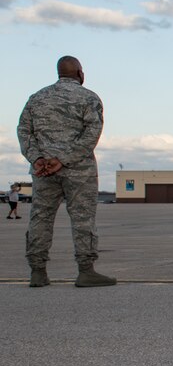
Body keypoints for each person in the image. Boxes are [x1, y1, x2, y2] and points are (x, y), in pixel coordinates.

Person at [17, 56, 116, 287]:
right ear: (80, 74)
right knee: (83, 219)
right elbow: (92, 133)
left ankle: (38, 272)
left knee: (40, 218)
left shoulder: (37, 98)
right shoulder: (88, 98)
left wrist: (37, 159)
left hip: (43, 172)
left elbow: (24, 131)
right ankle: (86, 270)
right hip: (78, 170)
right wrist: (64, 159)